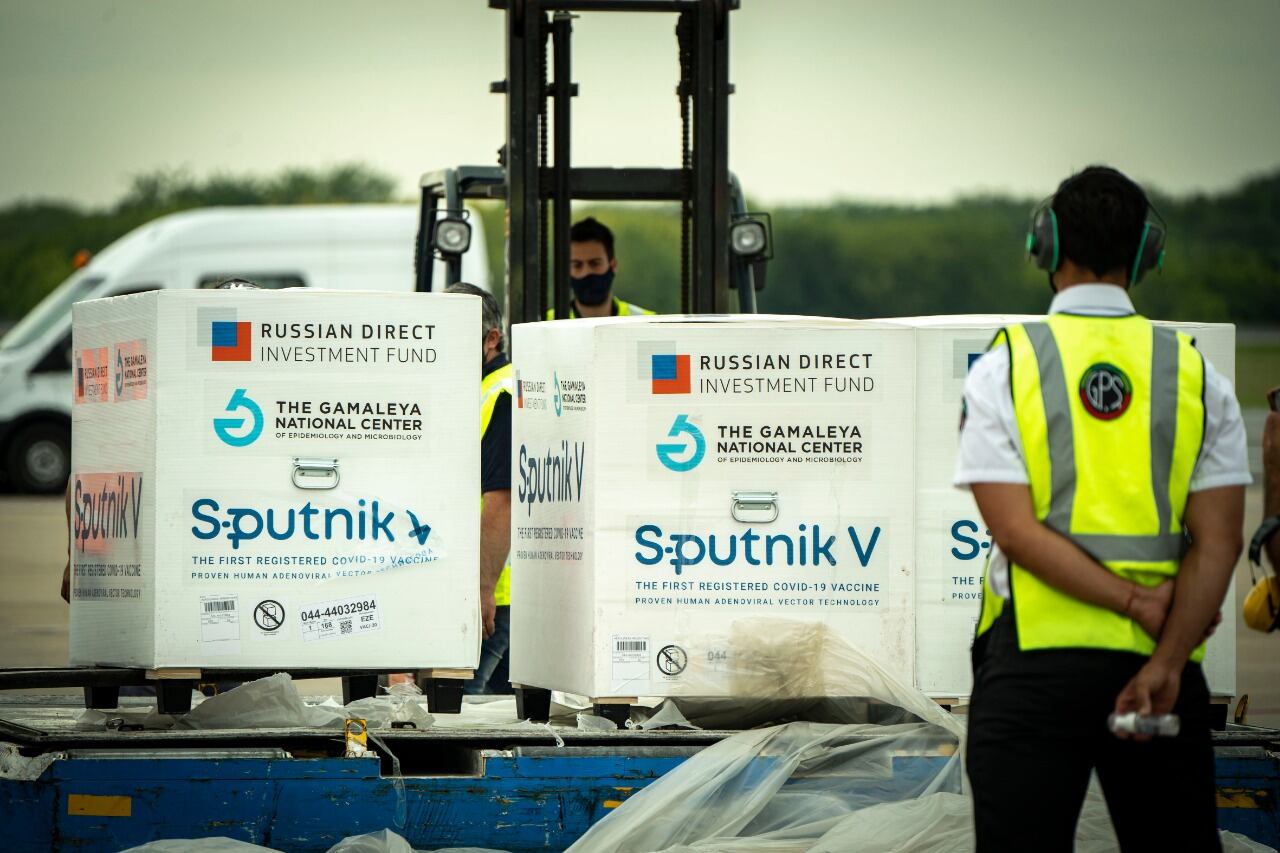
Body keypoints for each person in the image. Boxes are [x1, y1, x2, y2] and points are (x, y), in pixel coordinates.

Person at [957, 166, 1251, 851]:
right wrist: (1168, 660)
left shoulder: (1007, 364)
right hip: (1157, 667)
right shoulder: (1194, 373)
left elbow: (1013, 530)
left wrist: (1132, 601)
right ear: (1147, 252)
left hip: (1033, 666)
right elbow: (1220, 542)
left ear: (1046, 244)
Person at [446, 283, 515, 694]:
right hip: (486, 585)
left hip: (491, 592)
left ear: (491, 339)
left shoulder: (501, 394)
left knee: (454, 706)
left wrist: (482, 587)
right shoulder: (479, 390)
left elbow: (501, 500)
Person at [547, 217, 654, 319]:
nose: (586, 272)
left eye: (595, 263)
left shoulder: (647, 323)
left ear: (613, 265)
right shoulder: (546, 324)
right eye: (577, 265)